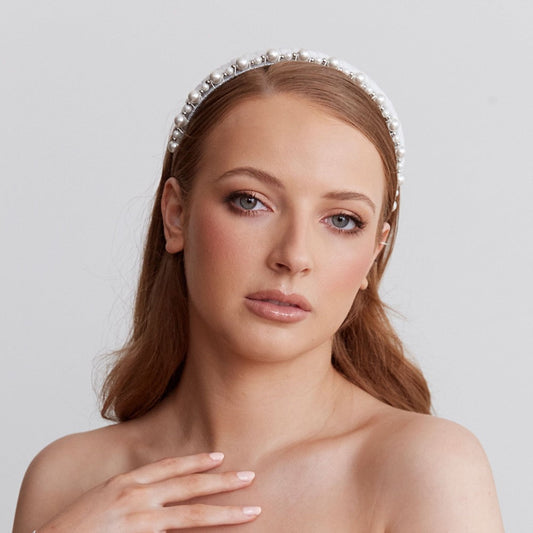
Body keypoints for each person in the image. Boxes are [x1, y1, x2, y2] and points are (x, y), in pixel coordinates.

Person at [13, 49, 504, 532]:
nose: (294, 255)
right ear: (176, 215)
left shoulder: (424, 469)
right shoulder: (67, 479)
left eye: (341, 220)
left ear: (374, 252)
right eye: (250, 201)